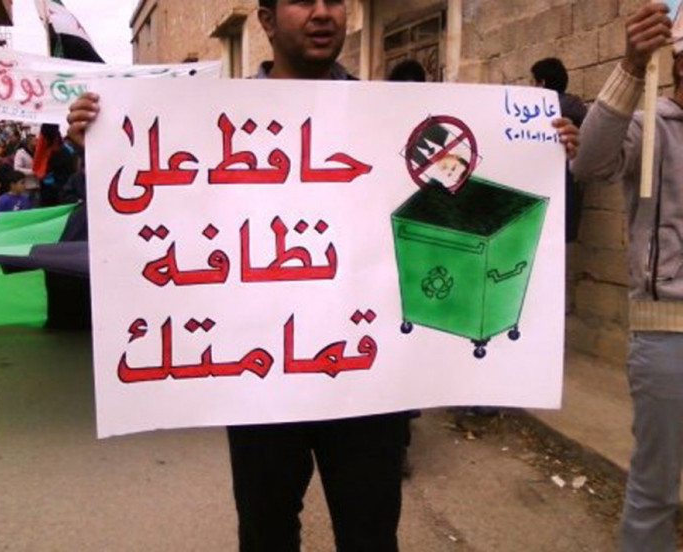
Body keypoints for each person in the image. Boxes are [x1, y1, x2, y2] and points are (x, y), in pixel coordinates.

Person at [68, 2, 580, 550]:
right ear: (264, 20)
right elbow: (158, 213)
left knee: (370, 534)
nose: (321, 13)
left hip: (365, 383)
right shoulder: (207, 124)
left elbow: (457, 191)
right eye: (301, 0)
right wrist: (96, 152)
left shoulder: (385, 119)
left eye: (334, 0)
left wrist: (544, 153)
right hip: (262, 379)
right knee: (266, 534)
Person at [571, 4, 682, 551]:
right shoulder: (649, 126)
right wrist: (632, 64)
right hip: (669, 336)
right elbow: (589, 164)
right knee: (655, 490)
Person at [531, 57, 587, 242]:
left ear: (542, 83)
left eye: (533, 82)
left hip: (541, 190)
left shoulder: (536, 112)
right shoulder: (579, 109)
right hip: (570, 189)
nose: (530, 87)